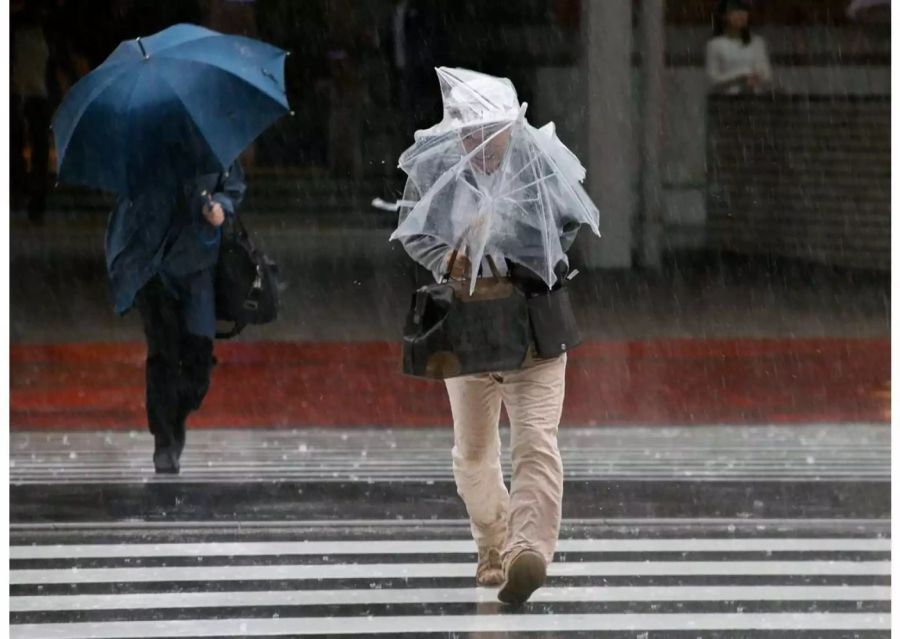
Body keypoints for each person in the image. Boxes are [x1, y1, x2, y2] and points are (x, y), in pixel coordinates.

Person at [395, 71, 591, 606]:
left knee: (536, 441)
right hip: (471, 331)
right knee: (474, 451)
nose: (478, 145)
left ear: (511, 128)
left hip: (533, 329)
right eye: (468, 134)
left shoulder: (540, 170)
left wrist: (516, 237)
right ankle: (491, 541)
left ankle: (528, 550)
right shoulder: (444, 177)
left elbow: (566, 234)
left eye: (489, 133)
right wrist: (449, 258)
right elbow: (415, 234)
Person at [106, 163, 246, 473]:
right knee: (163, 353)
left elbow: (233, 187)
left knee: (198, 359)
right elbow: (124, 214)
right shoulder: (142, 151)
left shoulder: (211, 146)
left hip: (198, 267)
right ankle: (164, 439)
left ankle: (176, 414)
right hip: (152, 270)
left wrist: (221, 207)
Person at [705, 0, 773, 94]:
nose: (741, 15)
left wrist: (757, 77)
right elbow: (713, 79)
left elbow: (766, 74)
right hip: (727, 99)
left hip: (755, 98)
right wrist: (739, 77)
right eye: (735, 12)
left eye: (744, 11)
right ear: (725, 16)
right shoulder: (715, 45)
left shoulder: (757, 42)